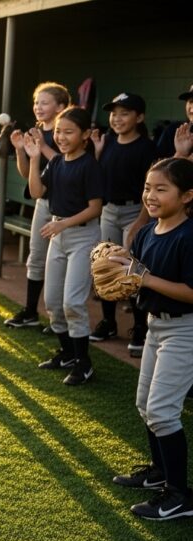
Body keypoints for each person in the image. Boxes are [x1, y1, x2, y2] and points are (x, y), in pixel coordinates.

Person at [111, 157, 193, 520]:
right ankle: (160, 474)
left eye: (162, 189)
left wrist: (142, 277)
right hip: (156, 326)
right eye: (148, 187)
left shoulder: (190, 235)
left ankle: (179, 496)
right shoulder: (147, 232)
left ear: (188, 195)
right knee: (146, 404)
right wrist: (117, 263)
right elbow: (135, 275)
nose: (151, 195)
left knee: (162, 409)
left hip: (185, 329)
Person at [23, 107, 104, 385]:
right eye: (58, 131)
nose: (61, 137)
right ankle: (68, 353)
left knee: (73, 302)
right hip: (58, 234)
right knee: (53, 302)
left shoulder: (89, 166)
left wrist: (62, 224)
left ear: (84, 136)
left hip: (82, 235)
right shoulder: (56, 162)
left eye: (68, 132)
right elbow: (36, 193)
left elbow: (95, 208)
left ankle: (84, 363)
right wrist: (34, 159)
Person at [88, 93, 157, 355]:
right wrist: (96, 152)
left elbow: (149, 190)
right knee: (105, 264)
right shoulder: (106, 143)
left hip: (135, 212)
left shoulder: (147, 148)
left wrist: (142, 220)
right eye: (114, 113)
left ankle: (139, 327)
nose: (117, 118)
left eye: (125, 113)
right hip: (108, 210)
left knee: (132, 269)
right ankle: (108, 321)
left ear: (139, 117)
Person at [4, 83, 71, 330]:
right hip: (43, 202)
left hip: (66, 207)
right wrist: (21, 150)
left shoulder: (65, 132)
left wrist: (42, 145)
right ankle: (31, 311)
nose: (38, 107)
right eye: (36, 102)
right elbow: (28, 175)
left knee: (60, 264)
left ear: (61, 107)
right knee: (37, 258)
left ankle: (60, 320)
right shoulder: (35, 132)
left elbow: (67, 167)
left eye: (44, 102)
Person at [155, 84, 193, 159]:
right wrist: (180, 155)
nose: (192, 109)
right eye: (191, 102)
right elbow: (156, 168)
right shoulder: (174, 130)